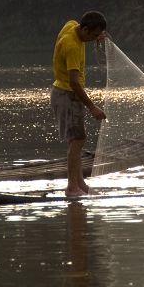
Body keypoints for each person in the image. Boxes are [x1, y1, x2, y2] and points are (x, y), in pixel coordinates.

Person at [51, 11, 107, 197]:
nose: (92, 39)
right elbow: (74, 82)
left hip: (64, 93)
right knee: (77, 140)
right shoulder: (72, 46)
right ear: (83, 29)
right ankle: (71, 188)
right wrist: (92, 107)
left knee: (75, 140)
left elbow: (82, 27)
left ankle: (79, 184)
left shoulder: (72, 25)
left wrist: (98, 36)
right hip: (68, 94)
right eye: (91, 35)